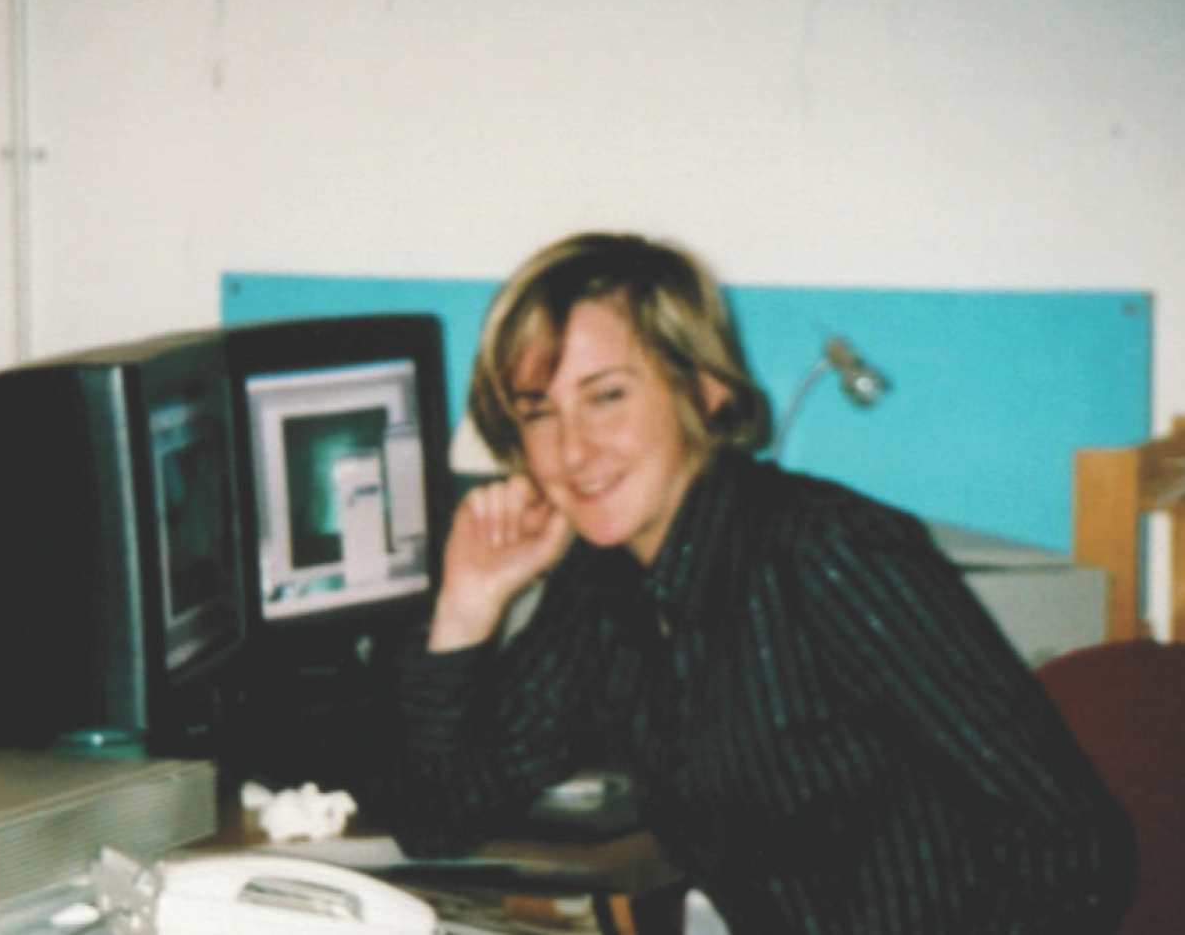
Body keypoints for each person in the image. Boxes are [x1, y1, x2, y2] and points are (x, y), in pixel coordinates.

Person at [383, 232, 1136, 933]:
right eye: (539, 412)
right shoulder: (603, 586)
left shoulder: (826, 553)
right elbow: (440, 822)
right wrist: (466, 607)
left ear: (703, 389)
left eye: (607, 396)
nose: (574, 450)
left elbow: (1070, 839)